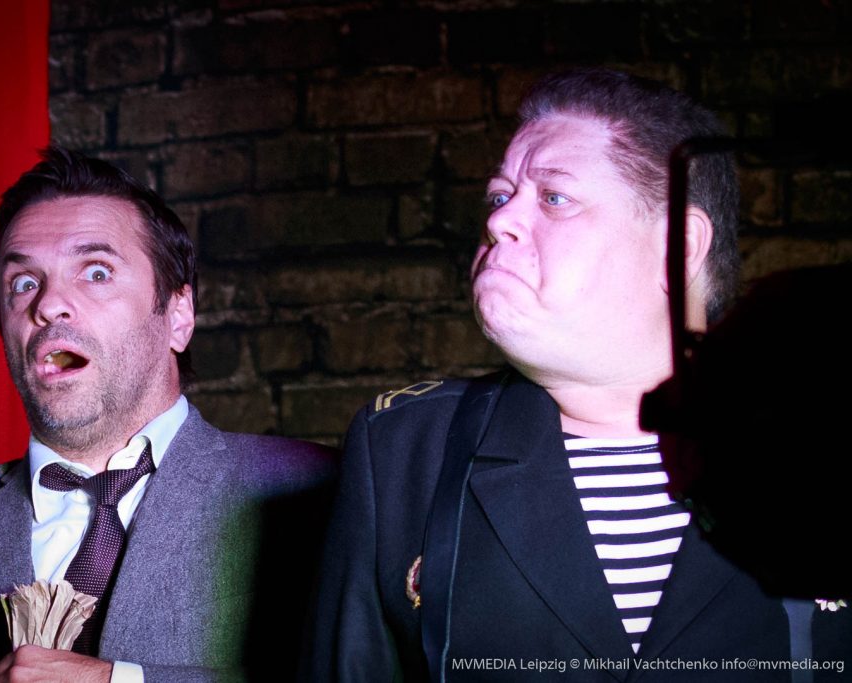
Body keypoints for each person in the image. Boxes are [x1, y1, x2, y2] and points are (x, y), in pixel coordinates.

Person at [305, 69, 851, 681]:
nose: (499, 221)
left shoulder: (824, 442)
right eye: (499, 196)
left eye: (555, 198)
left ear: (678, 244)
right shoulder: (406, 449)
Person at [0, 147, 334, 682]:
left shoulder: (319, 493)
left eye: (96, 272)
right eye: (24, 283)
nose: (48, 305)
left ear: (178, 315)